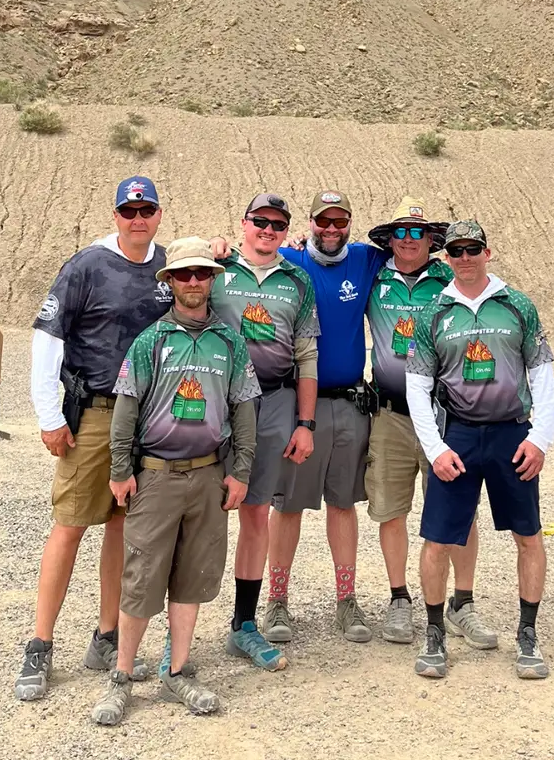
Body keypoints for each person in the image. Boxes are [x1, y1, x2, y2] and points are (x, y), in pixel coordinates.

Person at [14, 176, 172, 702]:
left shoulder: (166, 265)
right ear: (115, 215)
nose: (138, 219)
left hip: (147, 414)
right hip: (96, 413)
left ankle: (106, 638)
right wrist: (49, 415)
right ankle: (40, 644)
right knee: (70, 525)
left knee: (122, 526)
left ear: (158, 214)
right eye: (129, 211)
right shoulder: (87, 265)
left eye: (146, 210)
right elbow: (48, 337)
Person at [91, 237, 259, 725]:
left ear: (211, 280)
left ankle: (178, 671)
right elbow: (126, 409)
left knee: (192, 578)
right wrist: (120, 470)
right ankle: (122, 676)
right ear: (170, 282)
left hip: (208, 475)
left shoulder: (230, 342)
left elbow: (243, 409)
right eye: (183, 274)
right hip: (157, 475)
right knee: (142, 578)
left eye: (201, 274)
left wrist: (240, 471)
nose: (193, 282)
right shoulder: (151, 341)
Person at [406, 220, 554, 681]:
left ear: (487, 253)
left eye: (473, 249)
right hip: (459, 436)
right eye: (456, 251)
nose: (465, 257)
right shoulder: (434, 311)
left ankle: (527, 634)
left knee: (528, 535)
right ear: (446, 257)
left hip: (512, 434)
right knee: (437, 539)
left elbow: (542, 375)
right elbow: (417, 385)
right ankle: (435, 633)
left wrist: (540, 438)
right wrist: (435, 449)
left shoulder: (517, 305)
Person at [363, 198, 495, 651]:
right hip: (390, 415)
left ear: (431, 239)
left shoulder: (449, 278)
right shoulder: (373, 275)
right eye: (400, 231)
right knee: (391, 509)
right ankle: (399, 598)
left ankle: (463, 602)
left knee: (459, 509)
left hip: (445, 415)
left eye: (417, 232)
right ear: (389, 239)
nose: (408, 239)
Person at [268, 189, 387, 644]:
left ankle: (346, 600)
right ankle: (277, 601)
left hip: (351, 404)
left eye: (340, 221)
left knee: (343, 504)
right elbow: (248, 254)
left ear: (350, 223)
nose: (331, 229)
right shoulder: (290, 259)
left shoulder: (365, 259)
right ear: (310, 223)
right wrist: (220, 245)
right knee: (288, 505)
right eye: (323, 221)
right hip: (302, 405)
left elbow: (411, 253)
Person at [209, 193, 319, 671]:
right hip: (216, 402)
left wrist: (305, 423)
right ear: (244, 223)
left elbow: (306, 354)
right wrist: (208, 245)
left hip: (274, 401)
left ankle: (244, 624)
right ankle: (177, 630)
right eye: (260, 221)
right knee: (199, 513)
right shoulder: (215, 268)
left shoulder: (297, 279)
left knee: (256, 513)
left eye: (277, 224)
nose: (268, 230)